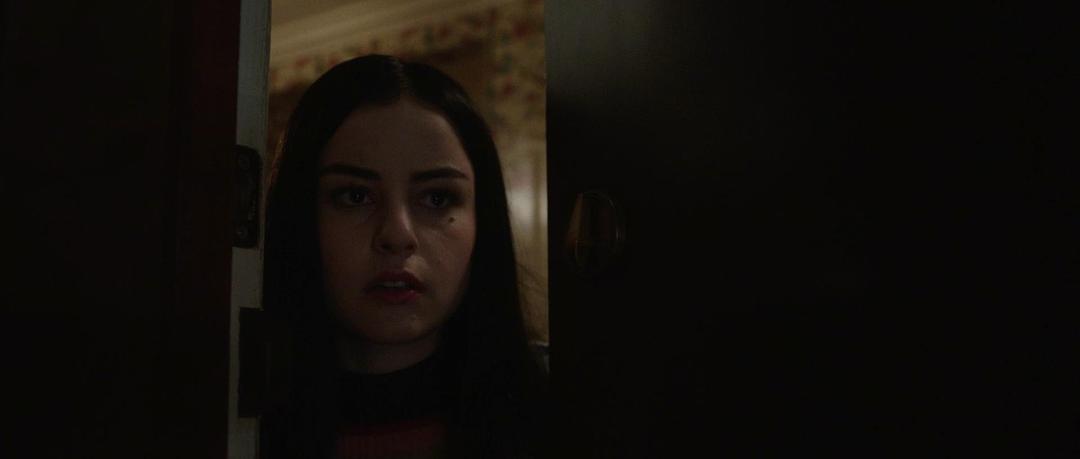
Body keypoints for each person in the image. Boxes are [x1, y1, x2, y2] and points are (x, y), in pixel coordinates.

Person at [261, 54, 549, 458]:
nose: (397, 235)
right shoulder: (229, 422)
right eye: (355, 196)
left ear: (483, 219)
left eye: (437, 198)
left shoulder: (563, 408)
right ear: (300, 214)